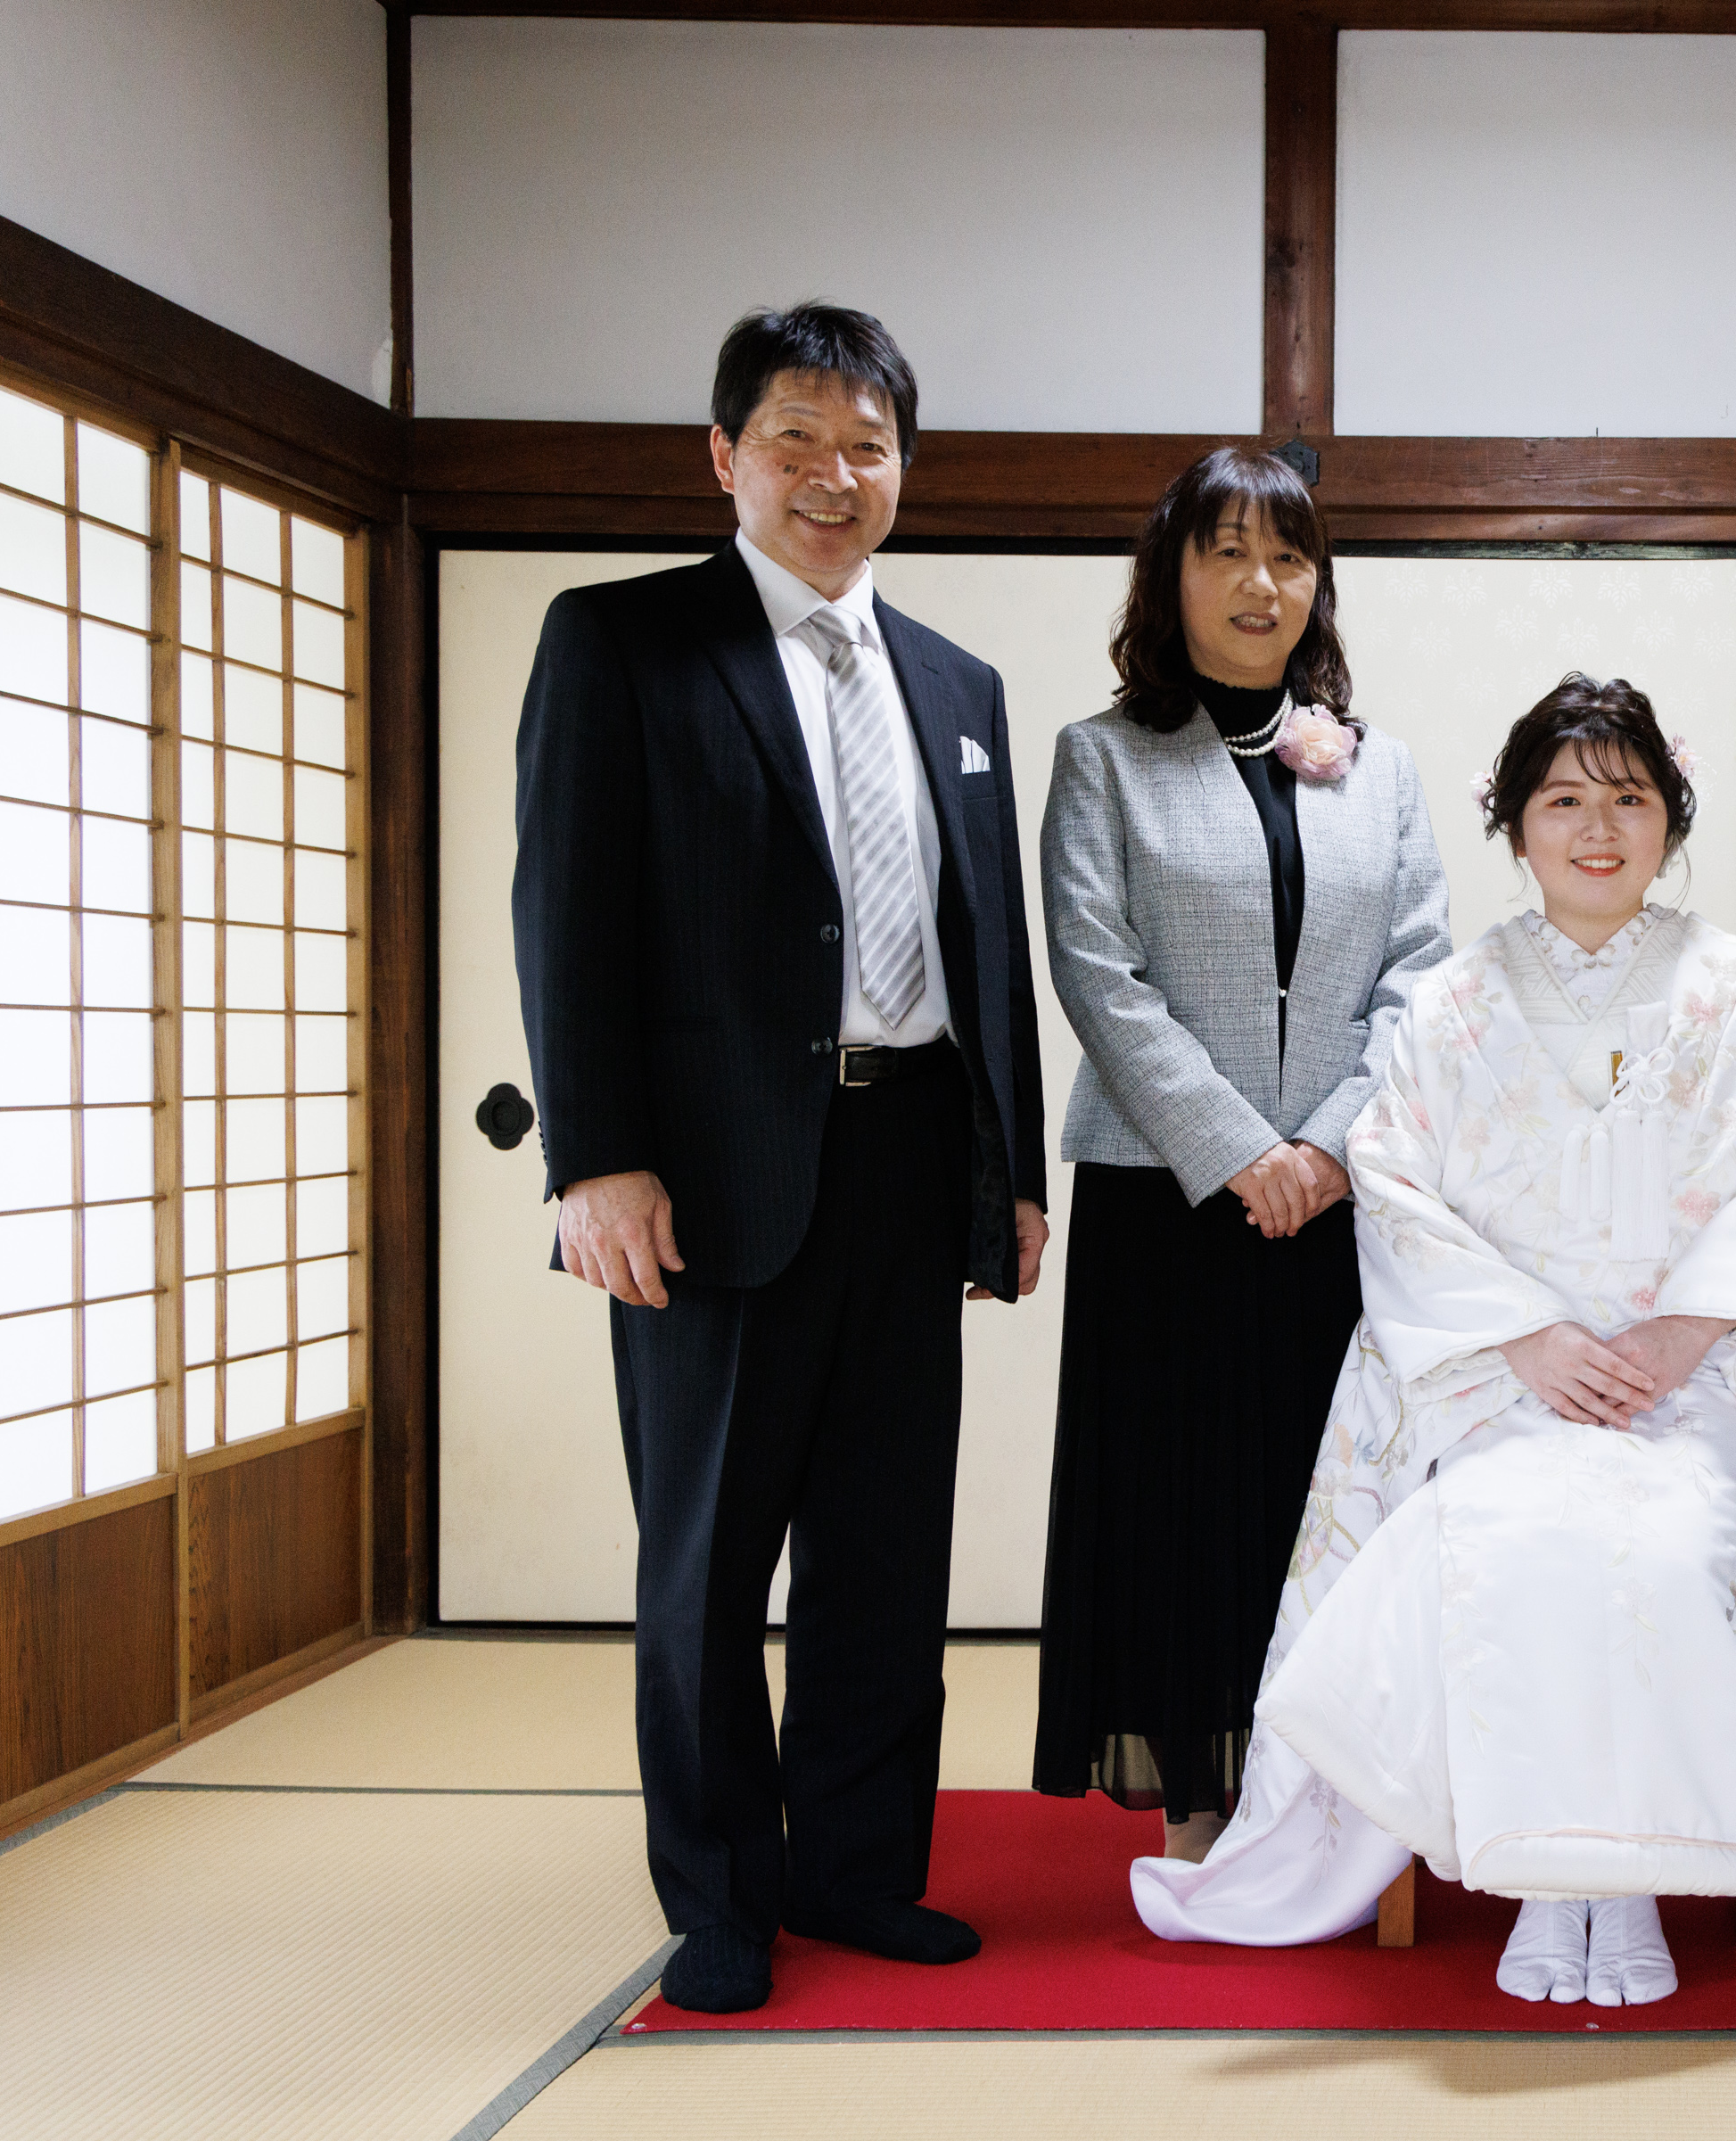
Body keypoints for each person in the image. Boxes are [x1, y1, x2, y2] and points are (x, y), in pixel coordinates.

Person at [1131, 676, 1736, 2010]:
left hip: (1703, 1377)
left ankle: (1622, 1881)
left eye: (1629, 797)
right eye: (1565, 799)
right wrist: (1530, 1341)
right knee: (1508, 1536)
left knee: (1670, 1546)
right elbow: (1394, 1184)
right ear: (1515, 825)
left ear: (1670, 819)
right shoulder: (1450, 1002)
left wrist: (1681, 1334)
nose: (1598, 827)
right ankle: (1555, 1883)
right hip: (1501, 1379)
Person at [511, 303, 1049, 2016]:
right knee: (709, 1553)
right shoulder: (623, 643)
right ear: (725, 456)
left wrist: (1012, 1168)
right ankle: (724, 1893)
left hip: (908, 1163)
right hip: (712, 1179)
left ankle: (858, 1869)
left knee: (888, 1547)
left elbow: (991, 948)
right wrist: (596, 1158)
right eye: (798, 438)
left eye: (868, 443)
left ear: (908, 465)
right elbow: (567, 915)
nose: (835, 474)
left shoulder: (957, 685)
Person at [1034, 448, 1453, 1867]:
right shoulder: (1103, 757)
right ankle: (1198, 1788)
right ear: (1173, 576)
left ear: (1318, 581)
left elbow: (1419, 975)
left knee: (1318, 1487)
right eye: (1226, 551)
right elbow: (1099, 973)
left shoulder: (1373, 762)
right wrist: (1237, 1150)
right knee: (1175, 1495)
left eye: (1288, 554)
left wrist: (1326, 1146)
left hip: (1339, 1198)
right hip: (1167, 1193)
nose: (1260, 581)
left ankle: (1324, 1778)